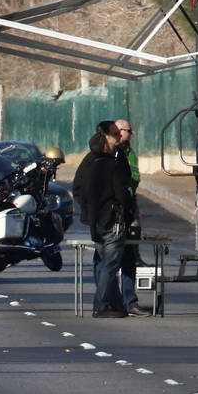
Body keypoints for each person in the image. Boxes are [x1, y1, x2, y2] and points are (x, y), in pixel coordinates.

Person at [72, 122, 131, 318]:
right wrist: (124, 212)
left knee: (103, 263)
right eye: (115, 134)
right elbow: (122, 192)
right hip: (112, 221)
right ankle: (101, 304)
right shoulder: (110, 164)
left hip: (96, 221)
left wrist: (90, 212)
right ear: (105, 137)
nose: (119, 137)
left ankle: (114, 304)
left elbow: (78, 189)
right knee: (109, 264)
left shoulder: (91, 161)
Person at [115, 118, 149, 317]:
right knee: (108, 261)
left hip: (128, 209)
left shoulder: (129, 153)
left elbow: (135, 176)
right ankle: (110, 302)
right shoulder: (109, 153)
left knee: (128, 257)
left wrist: (129, 188)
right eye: (128, 131)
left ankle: (130, 302)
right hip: (111, 214)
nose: (130, 134)